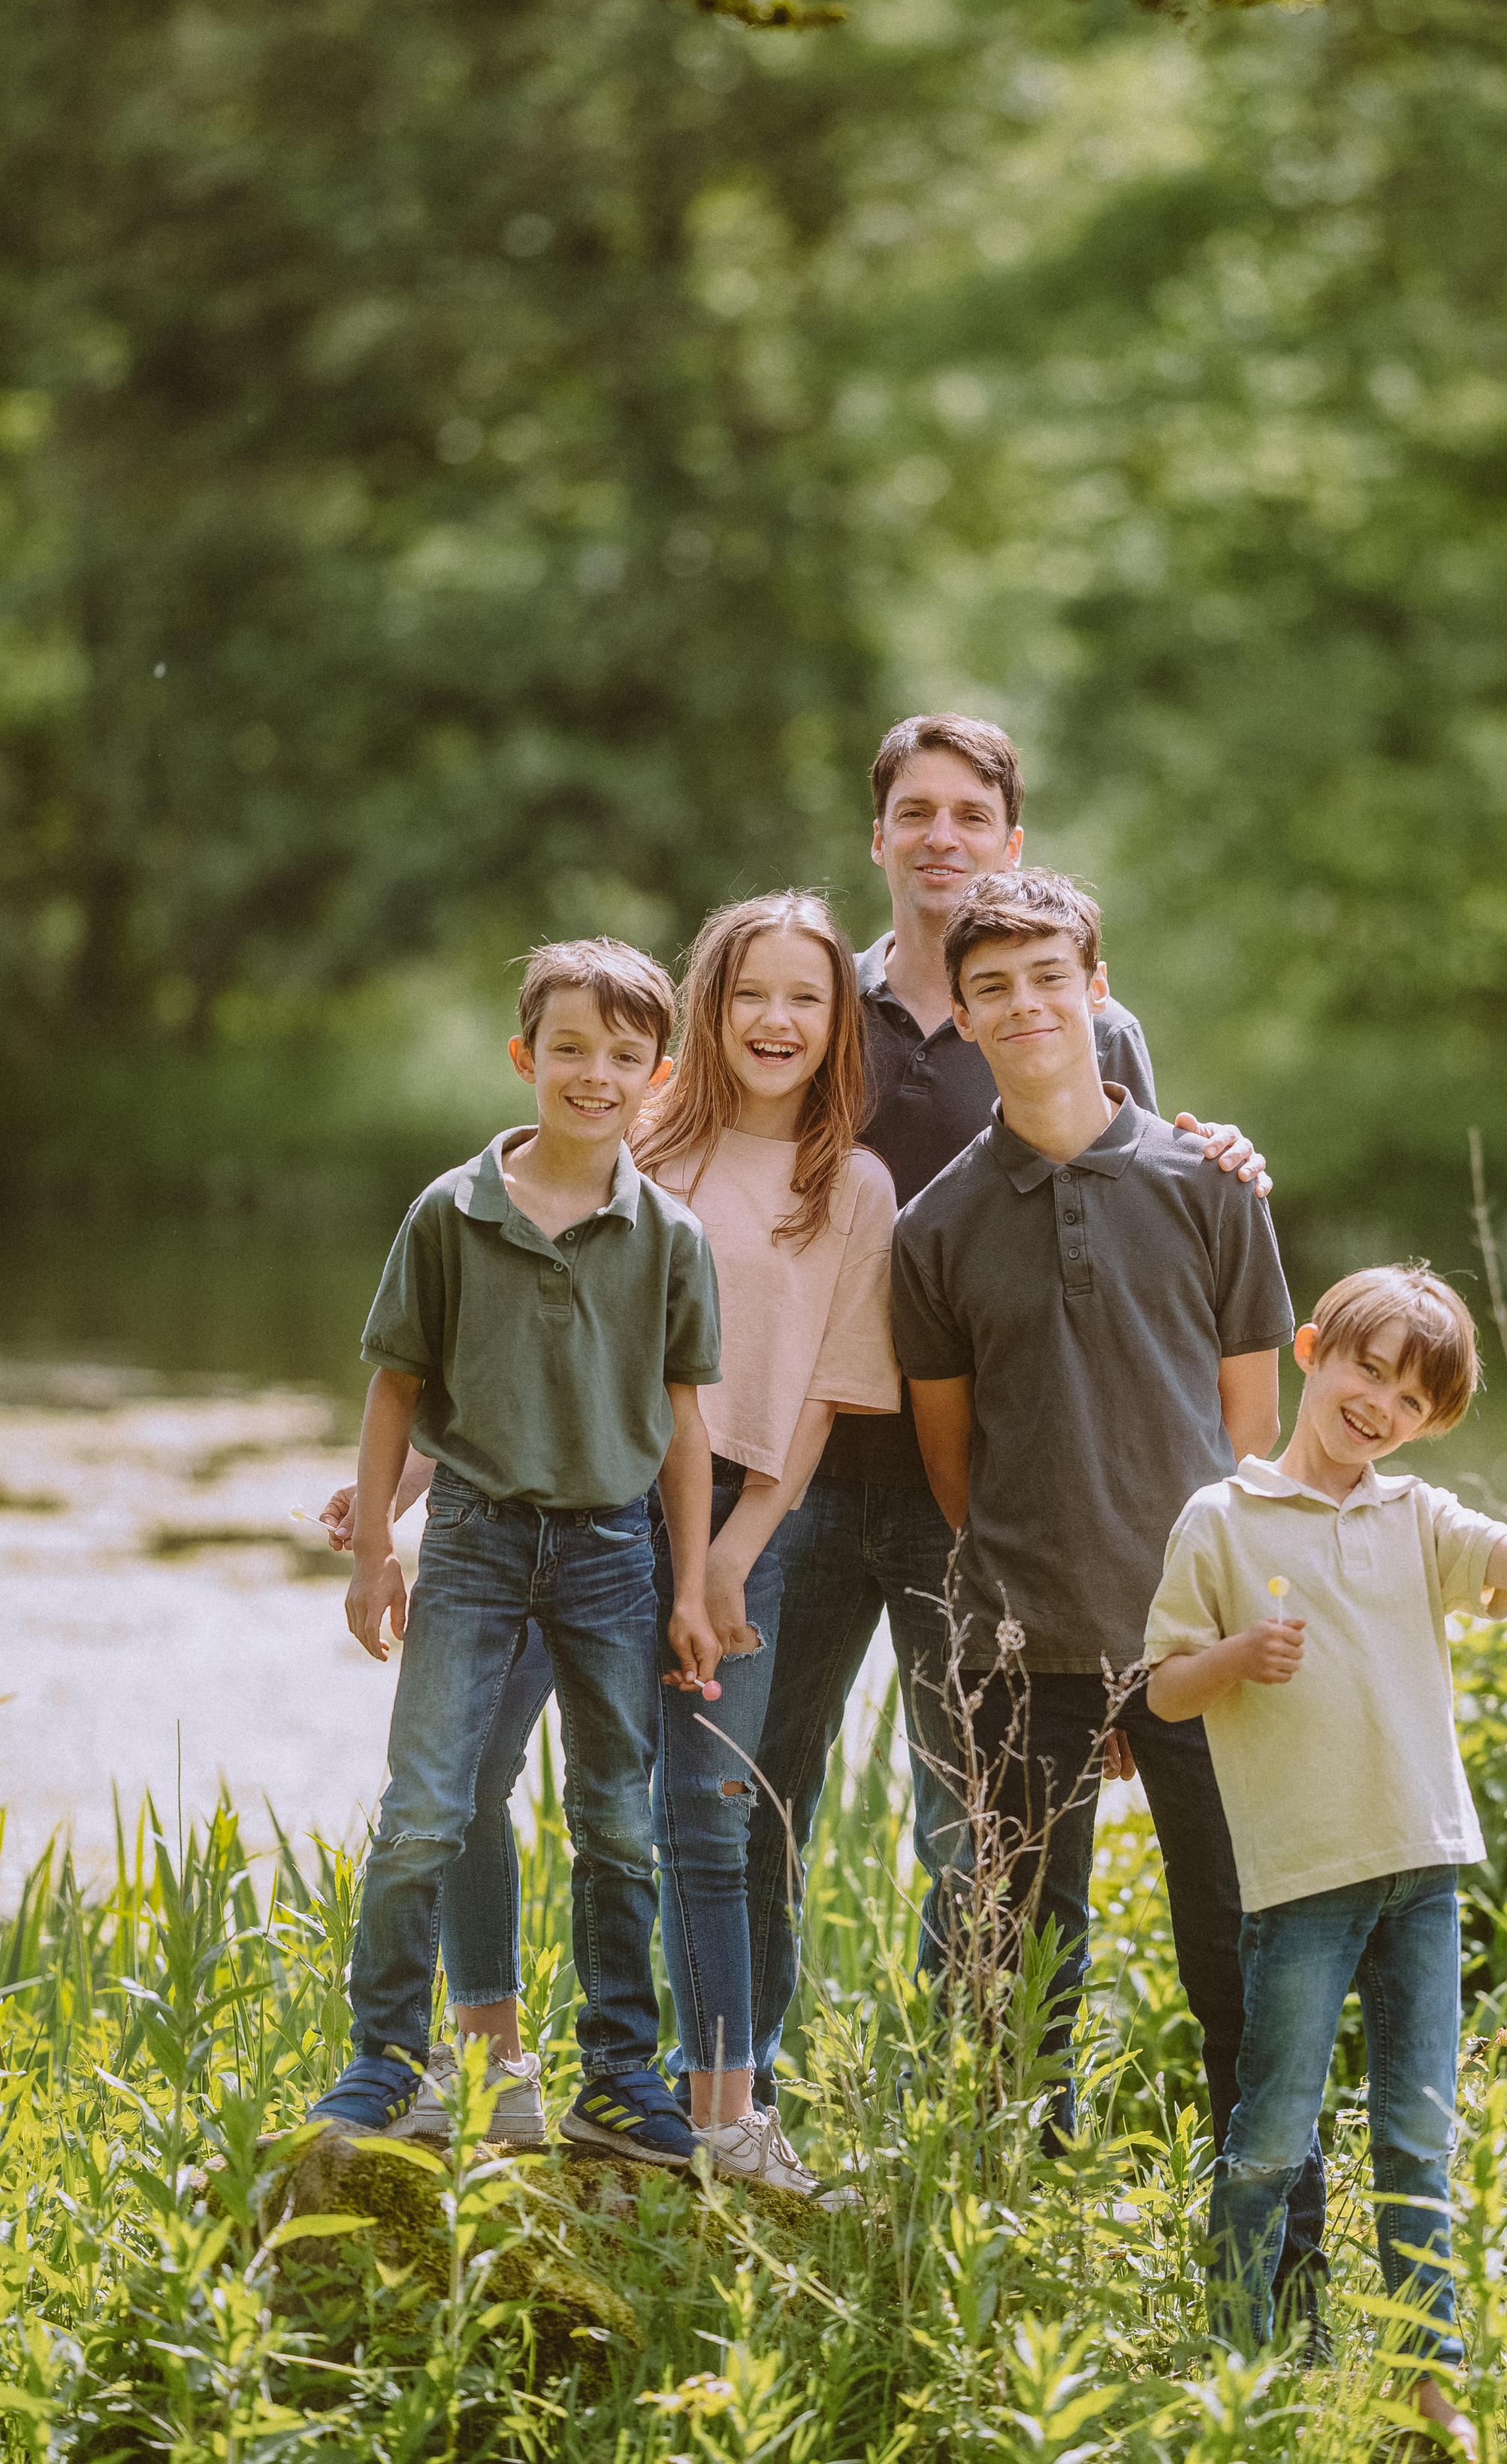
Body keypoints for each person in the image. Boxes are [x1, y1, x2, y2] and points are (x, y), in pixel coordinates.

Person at [741, 713, 1272, 2121]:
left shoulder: (1082, 1015)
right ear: (877, 838)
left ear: (1010, 838)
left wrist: (1228, 1149)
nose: (940, 837)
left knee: (974, 1832)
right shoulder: (813, 1003)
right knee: (756, 1792)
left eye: (969, 814)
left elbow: (1137, 1188)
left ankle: (970, 2121)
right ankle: (743, 2099)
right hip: (789, 1468)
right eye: (913, 812)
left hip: (981, 1491)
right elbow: (706, 1166)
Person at [888, 866, 1322, 2303]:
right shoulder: (935, 1229)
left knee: (1237, 1972)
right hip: (1021, 1656)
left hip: (1202, 1640)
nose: (1023, 1007)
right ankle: (1012, 2276)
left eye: (1047, 978)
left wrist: (1176, 1629)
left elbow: (1247, 1437)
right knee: (1018, 1986)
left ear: (1095, 986)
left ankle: (1273, 2285)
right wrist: (1058, 1608)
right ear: (962, 1007)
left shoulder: (1210, 1190)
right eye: (991, 986)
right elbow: (956, 1470)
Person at [1144, 1265, 1507, 2452]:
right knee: (1269, 2133)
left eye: (1410, 1397)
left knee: (1415, 2134)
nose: (1379, 1404)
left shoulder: (1418, 1517)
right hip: (1300, 1880)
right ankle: (1240, 2369)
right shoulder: (1222, 1518)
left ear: (1429, 1421)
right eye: (1366, 1368)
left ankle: (1425, 2391)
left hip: (1424, 1864)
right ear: (1310, 1351)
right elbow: (1163, 1687)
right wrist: (1241, 1652)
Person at [308, 938, 722, 2172]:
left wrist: (692, 1583)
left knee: (615, 1820)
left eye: (624, 1054)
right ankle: (386, 2055)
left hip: (613, 1554)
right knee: (428, 1806)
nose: (596, 1073)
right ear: (524, 1056)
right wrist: (375, 1547)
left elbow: (687, 1424)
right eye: (571, 1048)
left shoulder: (672, 1236)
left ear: (660, 1072)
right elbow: (396, 1389)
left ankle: (619, 2070)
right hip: (476, 1543)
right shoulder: (452, 1210)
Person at [627, 892, 899, 2198]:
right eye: (751, 996)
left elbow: (828, 1388)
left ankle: (725, 2107)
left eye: (806, 997)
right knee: (591, 1801)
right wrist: (401, 1489)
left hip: (751, 1511)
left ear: (839, 1019)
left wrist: (737, 1544)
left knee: (712, 1807)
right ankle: (602, 2082)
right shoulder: (641, 1143)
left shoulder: (851, 1185)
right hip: (598, 1495)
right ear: (710, 1007)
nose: (776, 1020)